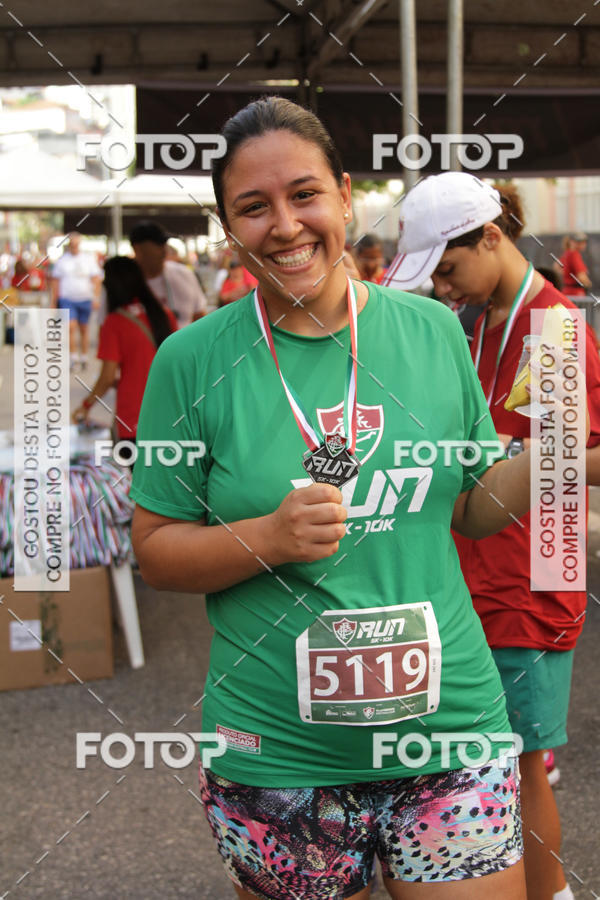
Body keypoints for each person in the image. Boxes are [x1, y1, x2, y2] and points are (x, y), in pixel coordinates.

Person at [128, 97, 581, 900]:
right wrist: (266, 537)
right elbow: (157, 551)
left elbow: (472, 505)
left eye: (304, 194)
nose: (286, 224)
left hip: (447, 733)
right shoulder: (191, 361)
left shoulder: (433, 331)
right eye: (253, 207)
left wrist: (552, 454)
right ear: (230, 229)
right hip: (278, 749)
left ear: (343, 195)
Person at [385, 171, 600, 900]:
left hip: (530, 575)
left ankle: (553, 894)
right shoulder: (486, 319)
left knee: (522, 760)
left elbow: (583, 453)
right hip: (482, 570)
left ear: (492, 237)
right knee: (495, 758)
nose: (445, 288)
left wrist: (521, 454)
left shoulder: (553, 328)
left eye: (450, 269)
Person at [72, 256, 177, 457]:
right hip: (169, 418)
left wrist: (85, 406)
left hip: (133, 421)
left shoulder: (115, 322)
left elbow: (107, 377)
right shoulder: (164, 314)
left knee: (136, 483)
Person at [129, 220, 208, 328]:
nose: (164, 249)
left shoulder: (184, 274)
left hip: (183, 343)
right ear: (137, 249)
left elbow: (200, 317)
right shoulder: (124, 283)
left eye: (164, 243)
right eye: (157, 244)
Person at [50, 232, 102, 370]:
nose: (74, 246)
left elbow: (96, 279)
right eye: (72, 244)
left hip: (85, 298)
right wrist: (53, 302)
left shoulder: (88, 259)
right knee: (70, 327)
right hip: (68, 299)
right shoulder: (62, 261)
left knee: (84, 329)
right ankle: (73, 357)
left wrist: (96, 297)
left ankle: (84, 356)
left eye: (76, 244)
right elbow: (55, 282)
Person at [558, 232, 592, 297]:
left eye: (584, 242)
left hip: (567, 291)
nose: (582, 244)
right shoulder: (574, 255)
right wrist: (588, 284)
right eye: (579, 242)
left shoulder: (566, 253)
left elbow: (557, 267)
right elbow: (581, 277)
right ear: (571, 242)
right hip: (576, 293)